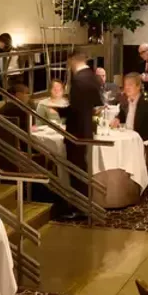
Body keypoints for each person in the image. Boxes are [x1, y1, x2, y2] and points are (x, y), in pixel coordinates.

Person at [58, 52, 101, 220]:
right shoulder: (92, 77)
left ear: (72, 60)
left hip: (76, 131)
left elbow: (75, 110)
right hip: (86, 129)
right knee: (82, 167)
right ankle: (84, 205)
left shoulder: (78, 80)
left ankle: (79, 207)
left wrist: (59, 110)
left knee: (76, 169)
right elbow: (96, 102)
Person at [111, 72, 148, 141]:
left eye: (130, 85)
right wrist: (117, 119)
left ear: (138, 86)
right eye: (125, 85)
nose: (126, 87)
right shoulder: (125, 102)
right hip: (126, 138)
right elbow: (121, 117)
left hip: (141, 141)